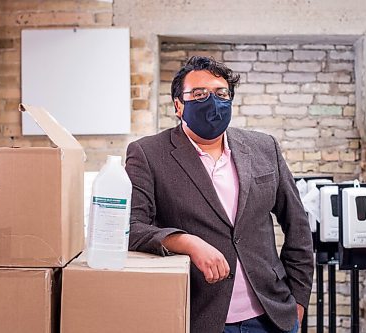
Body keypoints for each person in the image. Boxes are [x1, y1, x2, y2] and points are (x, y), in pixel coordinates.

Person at [125, 56, 314, 333]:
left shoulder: (264, 147)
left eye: (221, 93)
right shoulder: (148, 154)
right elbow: (131, 228)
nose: (212, 101)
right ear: (179, 105)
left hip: (272, 315)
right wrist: (187, 242)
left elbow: (297, 225)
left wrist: (298, 299)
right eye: (199, 94)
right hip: (199, 316)